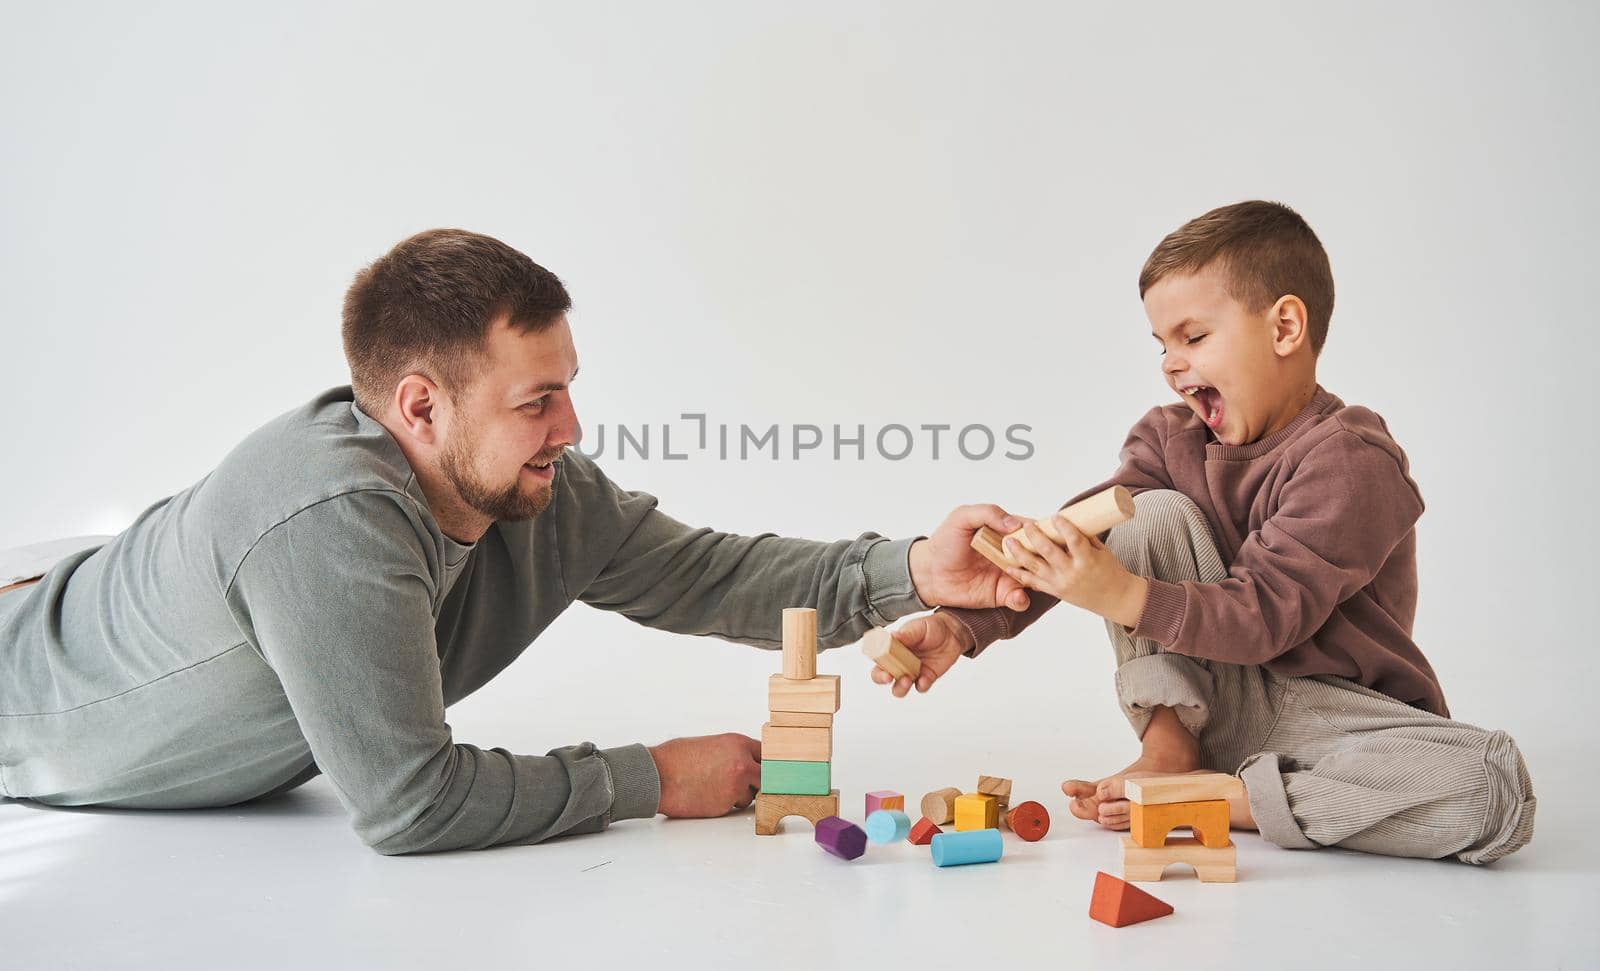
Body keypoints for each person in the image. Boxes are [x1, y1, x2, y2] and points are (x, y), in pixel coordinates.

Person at [0, 228, 1032, 855]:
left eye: (569, 387)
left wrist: (908, 570)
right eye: (537, 400)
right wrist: (651, 776)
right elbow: (411, 803)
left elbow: (708, 571)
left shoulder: (531, 488)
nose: (572, 428)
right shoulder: (328, 522)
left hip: (95, 587)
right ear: (420, 405)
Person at [871, 200, 1536, 864]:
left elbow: (1266, 614)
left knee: (1490, 787)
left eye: (1193, 337)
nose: (1169, 363)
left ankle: (1220, 797)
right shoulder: (1170, 438)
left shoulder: (1352, 460)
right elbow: (1075, 545)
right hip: (1211, 696)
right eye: (1161, 344)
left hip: (1333, 718)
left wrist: (1124, 595)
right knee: (1148, 512)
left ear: (1284, 327)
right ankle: (1170, 749)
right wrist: (964, 626)